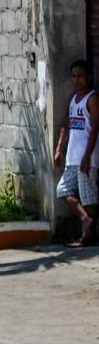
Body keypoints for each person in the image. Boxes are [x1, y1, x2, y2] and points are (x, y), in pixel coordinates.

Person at [57, 60, 99, 247]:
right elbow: (66, 125)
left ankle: (87, 236)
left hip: (87, 157)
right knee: (62, 190)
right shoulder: (74, 99)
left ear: (88, 77)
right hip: (72, 157)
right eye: (74, 76)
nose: (76, 80)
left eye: (80, 76)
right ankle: (86, 221)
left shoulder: (92, 98)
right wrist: (59, 149)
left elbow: (96, 128)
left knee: (88, 196)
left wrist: (87, 156)